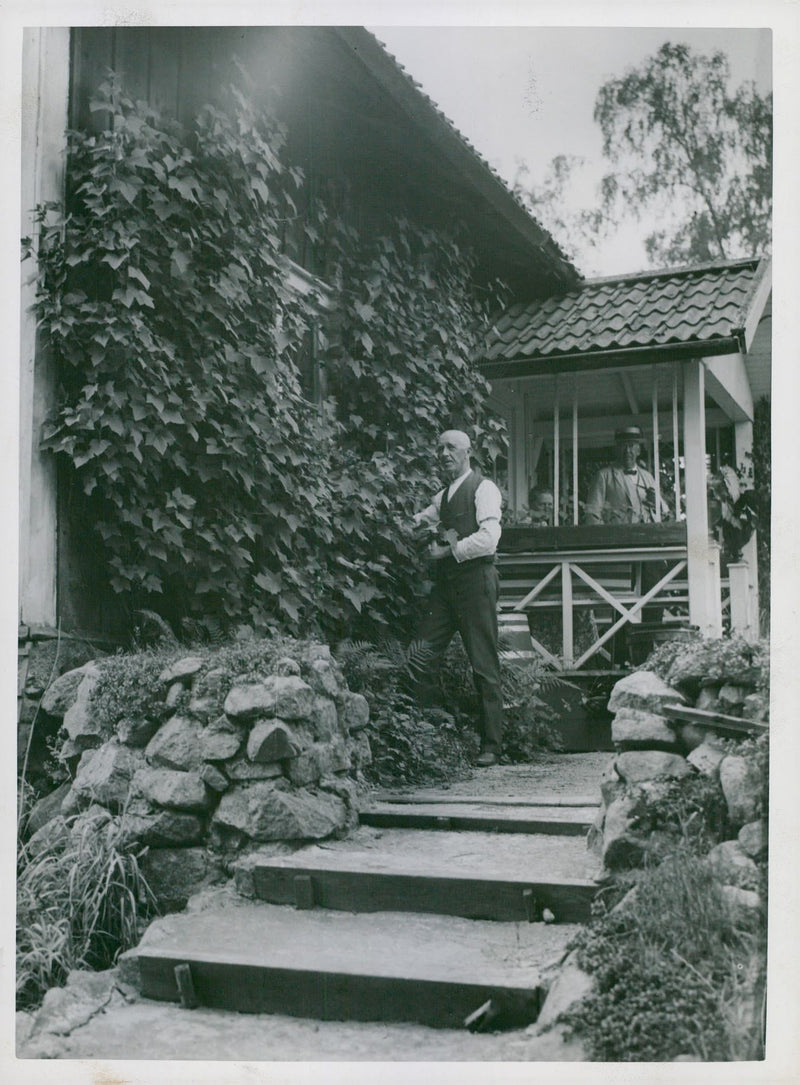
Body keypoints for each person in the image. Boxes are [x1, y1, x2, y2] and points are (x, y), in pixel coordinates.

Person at [408, 429, 504, 767]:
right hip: (447, 588)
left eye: (451, 448)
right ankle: (421, 737)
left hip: (477, 581)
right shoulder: (444, 496)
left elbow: (489, 538)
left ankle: (492, 745)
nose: (443, 453)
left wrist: (448, 550)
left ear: (468, 453)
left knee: (483, 663)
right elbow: (423, 519)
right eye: (439, 448)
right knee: (420, 652)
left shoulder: (484, 488)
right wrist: (409, 523)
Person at [584, 426, 670, 524]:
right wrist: (607, 537)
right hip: (617, 537)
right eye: (623, 445)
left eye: (631, 445)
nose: (627, 451)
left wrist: (657, 502)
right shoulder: (603, 476)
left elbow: (665, 511)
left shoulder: (648, 477)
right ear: (616, 450)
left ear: (638, 450)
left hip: (646, 536)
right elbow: (592, 514)